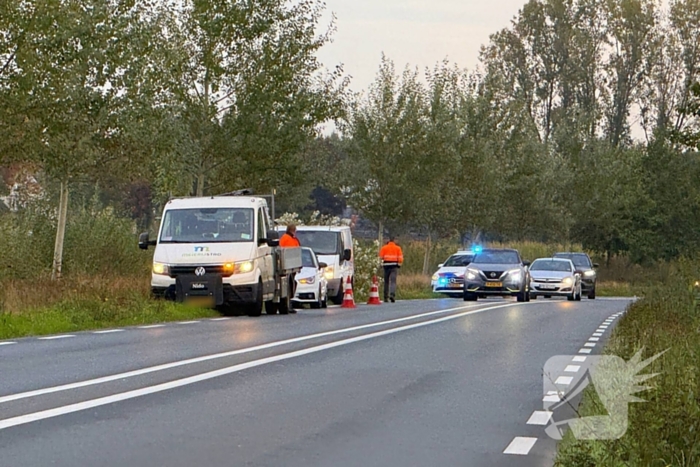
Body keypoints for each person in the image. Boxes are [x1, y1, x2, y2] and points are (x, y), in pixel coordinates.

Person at [379, 236, 404, 302]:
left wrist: (381, 265)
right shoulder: (398, 248)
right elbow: (400, 258)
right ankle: (392, 294)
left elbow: (381, 257)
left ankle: (385, 297)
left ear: (388, 240)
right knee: (393, 281)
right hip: (394, 266)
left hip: (386, 266)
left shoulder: (384, 248)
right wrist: (399, 264)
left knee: (386, 281)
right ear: (394, 241)